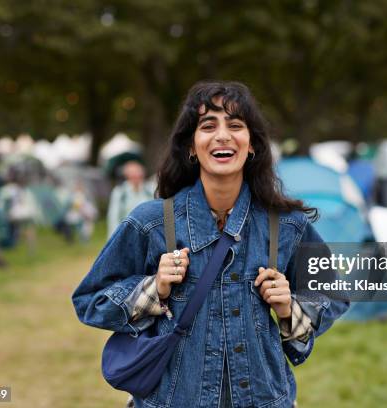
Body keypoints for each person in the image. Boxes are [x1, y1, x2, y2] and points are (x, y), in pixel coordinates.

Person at [72, 81, 348, 407]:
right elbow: (89, 300)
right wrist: (154, 288)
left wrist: (288, 308)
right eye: (208, 126)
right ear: (191, 145)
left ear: (252, 145)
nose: (222, 135)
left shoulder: (287, 226)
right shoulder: (151, 223)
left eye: (235, 125)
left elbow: (332, 295)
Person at [107, 161, 152, 238]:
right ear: (127, 175)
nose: (136, 175)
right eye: (132, 173)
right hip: (127, 233)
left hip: (148, 233)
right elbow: (114, 217)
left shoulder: (150, 189)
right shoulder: (120, 192)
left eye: (138, 173)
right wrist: (114, 237)